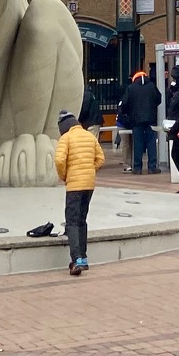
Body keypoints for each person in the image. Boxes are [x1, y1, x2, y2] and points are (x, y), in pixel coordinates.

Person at [52, 106, 105, 275]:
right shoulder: (89, 136)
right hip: (89, 185)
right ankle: (84, 257)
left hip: (74, 185)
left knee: (72, 222)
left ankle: (77, 260)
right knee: (82, 221)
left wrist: (65, 175)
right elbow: (101, 158)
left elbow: (59, 160)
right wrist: (91, 169)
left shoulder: (66, 139)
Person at [119, 69, 161, 175]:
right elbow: (158, 99)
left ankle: (137, 168)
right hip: (150, 119)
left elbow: (124, 104)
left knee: (138, 144)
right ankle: (152, 167)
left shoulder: (131, 88)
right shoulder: (152, 86)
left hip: (136, 120)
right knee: (151, 144)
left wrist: (128, 113)